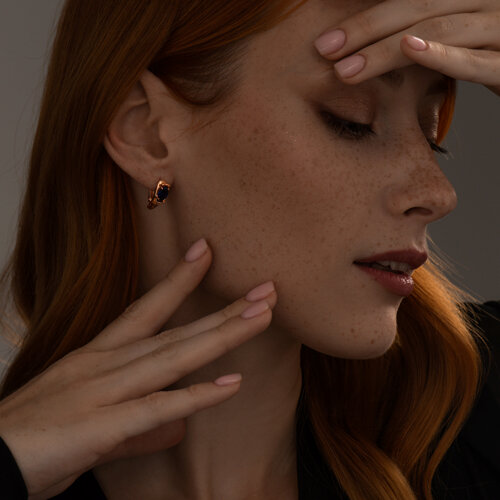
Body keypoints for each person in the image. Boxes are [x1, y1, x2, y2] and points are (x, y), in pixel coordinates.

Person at [0, 0, 499, 498]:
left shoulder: (476, 420)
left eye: (430, 135)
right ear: (146, 133)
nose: (438, 193)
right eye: (353, 121)